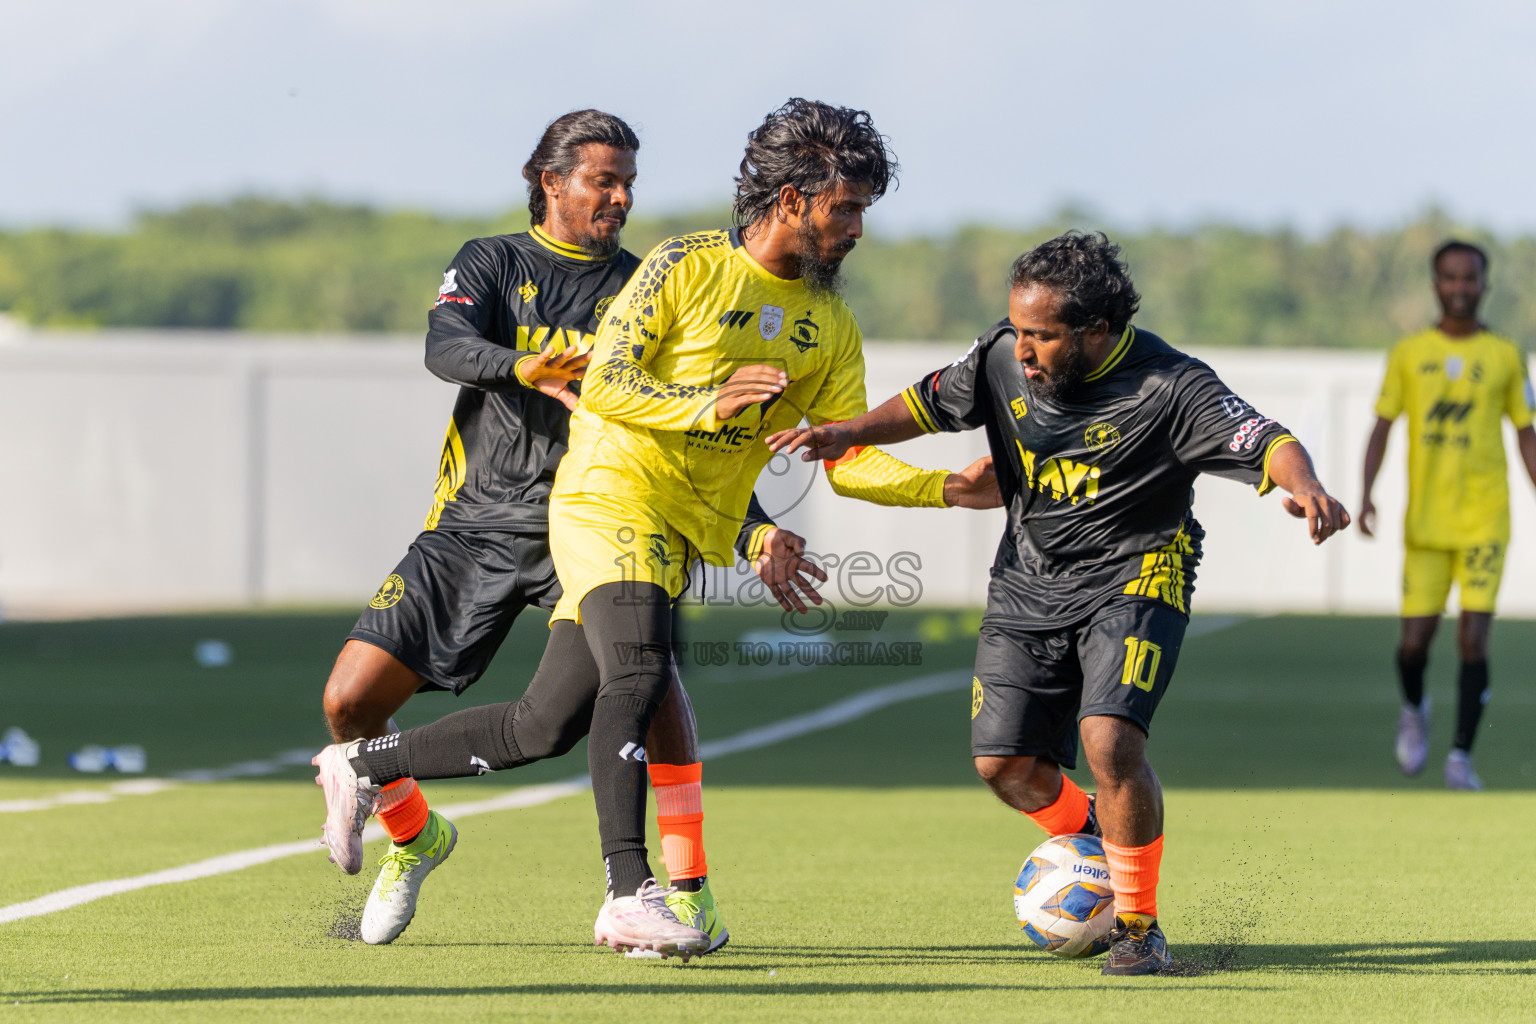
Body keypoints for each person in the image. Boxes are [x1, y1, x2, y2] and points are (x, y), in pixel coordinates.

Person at [311, 97, 998, 959]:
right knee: (639, 670)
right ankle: (632, 893)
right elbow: (607, 385)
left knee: (545, 724)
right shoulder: (681, 266)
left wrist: (950, 490)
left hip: (679, 532)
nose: (858, 228)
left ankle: (363, 765)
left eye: (863, 209)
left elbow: (844, 455)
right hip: (606, 499)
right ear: (791, 199)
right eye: (846, 208)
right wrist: (706, 400)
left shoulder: (832, 325)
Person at [768, 231, 1351, 975]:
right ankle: (1106, 846)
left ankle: (1139, 929)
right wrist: (845, 431)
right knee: (1003, 765)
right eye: (1018, 329)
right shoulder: (1002, 356)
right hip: (1027, 578)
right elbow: (925, 403)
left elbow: (1266, 438)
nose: (1026, 348)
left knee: (1110, 741)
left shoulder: (1172, 386)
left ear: (1096, 331)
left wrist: (1305, 487)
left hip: (1137, 575)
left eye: (1042, 334)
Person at [1359, 239, 1536, 791]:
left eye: (1470, 278)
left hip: (1485, 519)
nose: (1461, 287)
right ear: (1436, 284)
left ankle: (1460, 756)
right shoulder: (1409, 354)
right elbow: (1383, 426)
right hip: (1427, 526)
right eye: (1450, 278)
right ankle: (1414, 709)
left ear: (1485, 284)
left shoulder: (1506, 356)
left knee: (1473, 642)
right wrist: (1366, 494)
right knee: (1413, 645)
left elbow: (1526, 433)